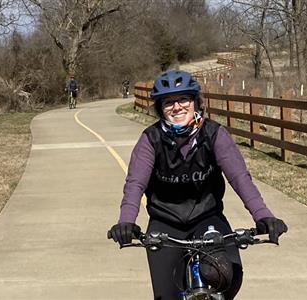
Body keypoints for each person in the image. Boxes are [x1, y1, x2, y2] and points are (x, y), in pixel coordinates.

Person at [108, 70, 287, 299]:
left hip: (207, 217)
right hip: (165, 222)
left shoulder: (214, 134)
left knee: (224, 274)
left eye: (183, 99)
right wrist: (126, 222)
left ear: (195, 102)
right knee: (166, 295)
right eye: (169, 102)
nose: (177, 107)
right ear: (160, 108)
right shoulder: (150, 140)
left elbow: (240, 178)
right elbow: (135, 184)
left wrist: (263, 216)